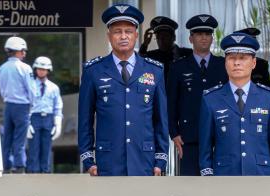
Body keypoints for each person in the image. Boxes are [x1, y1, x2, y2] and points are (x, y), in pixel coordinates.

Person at [78, 3, 169, 176]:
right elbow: (85, 120)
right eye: (117, 31)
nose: (123, 36)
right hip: (107, 161)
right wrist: (88, 160)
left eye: (128, 31)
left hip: (144, 160)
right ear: (109, 36)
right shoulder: (94, 71)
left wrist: (161, 160)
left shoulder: (154, 70)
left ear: (136, 35)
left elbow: (161, 119)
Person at [198, 32, 270, 176]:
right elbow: (205, 145)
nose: (236, 63)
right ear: (225, 62)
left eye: (243, 58)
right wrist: (207, 175)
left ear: (254, 63)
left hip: (261, 175)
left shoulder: (269, 97)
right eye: (231, 58)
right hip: (224, 176)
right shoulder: (211, 98)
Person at [167, 14, 227, 176]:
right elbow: (171, 102)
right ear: (191, 38)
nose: (204, 38)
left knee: (221, 185)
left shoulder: (223, 65)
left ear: (212, 38)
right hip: (189, 137)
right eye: (199, 34)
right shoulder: (178, 67)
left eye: (207, 34)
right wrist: (174, 132)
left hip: (220, 136)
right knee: (190, 186)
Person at [0, 36, 37, 174]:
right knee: (20, 137)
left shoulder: (1, 68)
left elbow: (2, 89)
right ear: (18, 51)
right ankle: (19, 165)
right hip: (22, 106)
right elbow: (31, 89)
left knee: (7, 136)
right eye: (23, 50)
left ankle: (6, 165)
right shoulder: (25, 68)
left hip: (8, 105)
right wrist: (33, 104)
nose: (25, 53)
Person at [27, 56, 63, 173]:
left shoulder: (54, 87)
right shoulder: (30, 85)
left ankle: (45, 172)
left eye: (44, 69)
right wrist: (27, 122)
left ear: (48, 70)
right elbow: (26, 104)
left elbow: (58, 106)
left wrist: (58, 124)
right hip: (34, 117)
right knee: (33, 148)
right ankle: (33, 172)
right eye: (39, 68)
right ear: (35, 69)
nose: (41, 71)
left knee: (46, 148)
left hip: (48, 118)